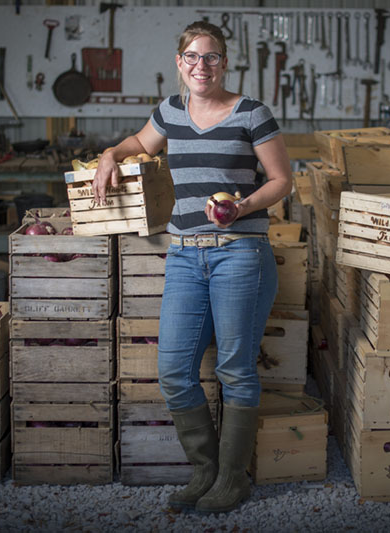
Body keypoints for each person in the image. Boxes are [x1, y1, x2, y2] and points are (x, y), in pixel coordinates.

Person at [92, 21, 292, 513]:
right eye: (192, 57)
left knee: (236, 370)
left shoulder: (251, 113)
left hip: (239, 251)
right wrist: (108, 154)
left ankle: (232, 477)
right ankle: (204, 471)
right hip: (184, 254)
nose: (201, 66)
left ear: (225, 63)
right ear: (179, 63)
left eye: (212, 57)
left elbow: (282, 180)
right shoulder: (170, 111)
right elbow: (141, 144)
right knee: (174, 369)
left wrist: (241, 207)